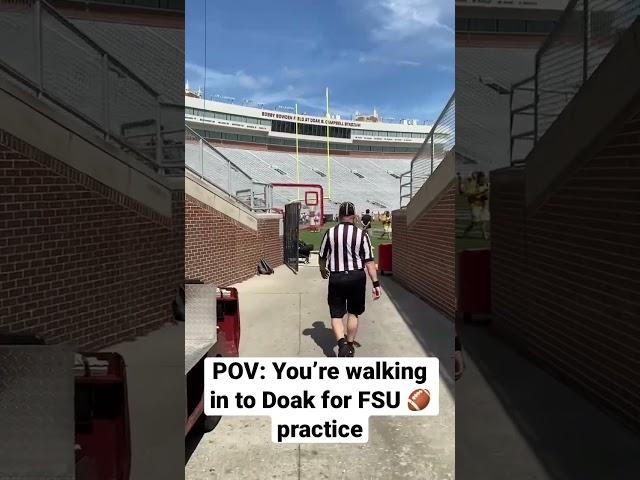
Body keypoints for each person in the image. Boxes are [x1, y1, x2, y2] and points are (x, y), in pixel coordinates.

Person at [319, 201, 381, 357]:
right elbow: (369, 262)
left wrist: (322, 269)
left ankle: (341, 345)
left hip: (337, 277)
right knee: (353, 313)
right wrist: (376, 283)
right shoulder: (362, 235)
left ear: (339, 216)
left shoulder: (330, 232)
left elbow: (322, 257)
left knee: (336, 314)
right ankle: (350, 345)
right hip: (356, 277)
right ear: (354, 216)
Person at [463, 172, 489, 240]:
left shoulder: (485, 185)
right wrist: (480, 194)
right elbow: (469, 195)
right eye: (481, 177)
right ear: (478, 178)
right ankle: (466, 231)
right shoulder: (474, 185)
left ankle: (484, 234)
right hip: (475, 205)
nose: (483, 179)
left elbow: (486, 195)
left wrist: (485, 196)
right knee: (475, 222)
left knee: (483, 220)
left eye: (483, 177)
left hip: (483, 205)